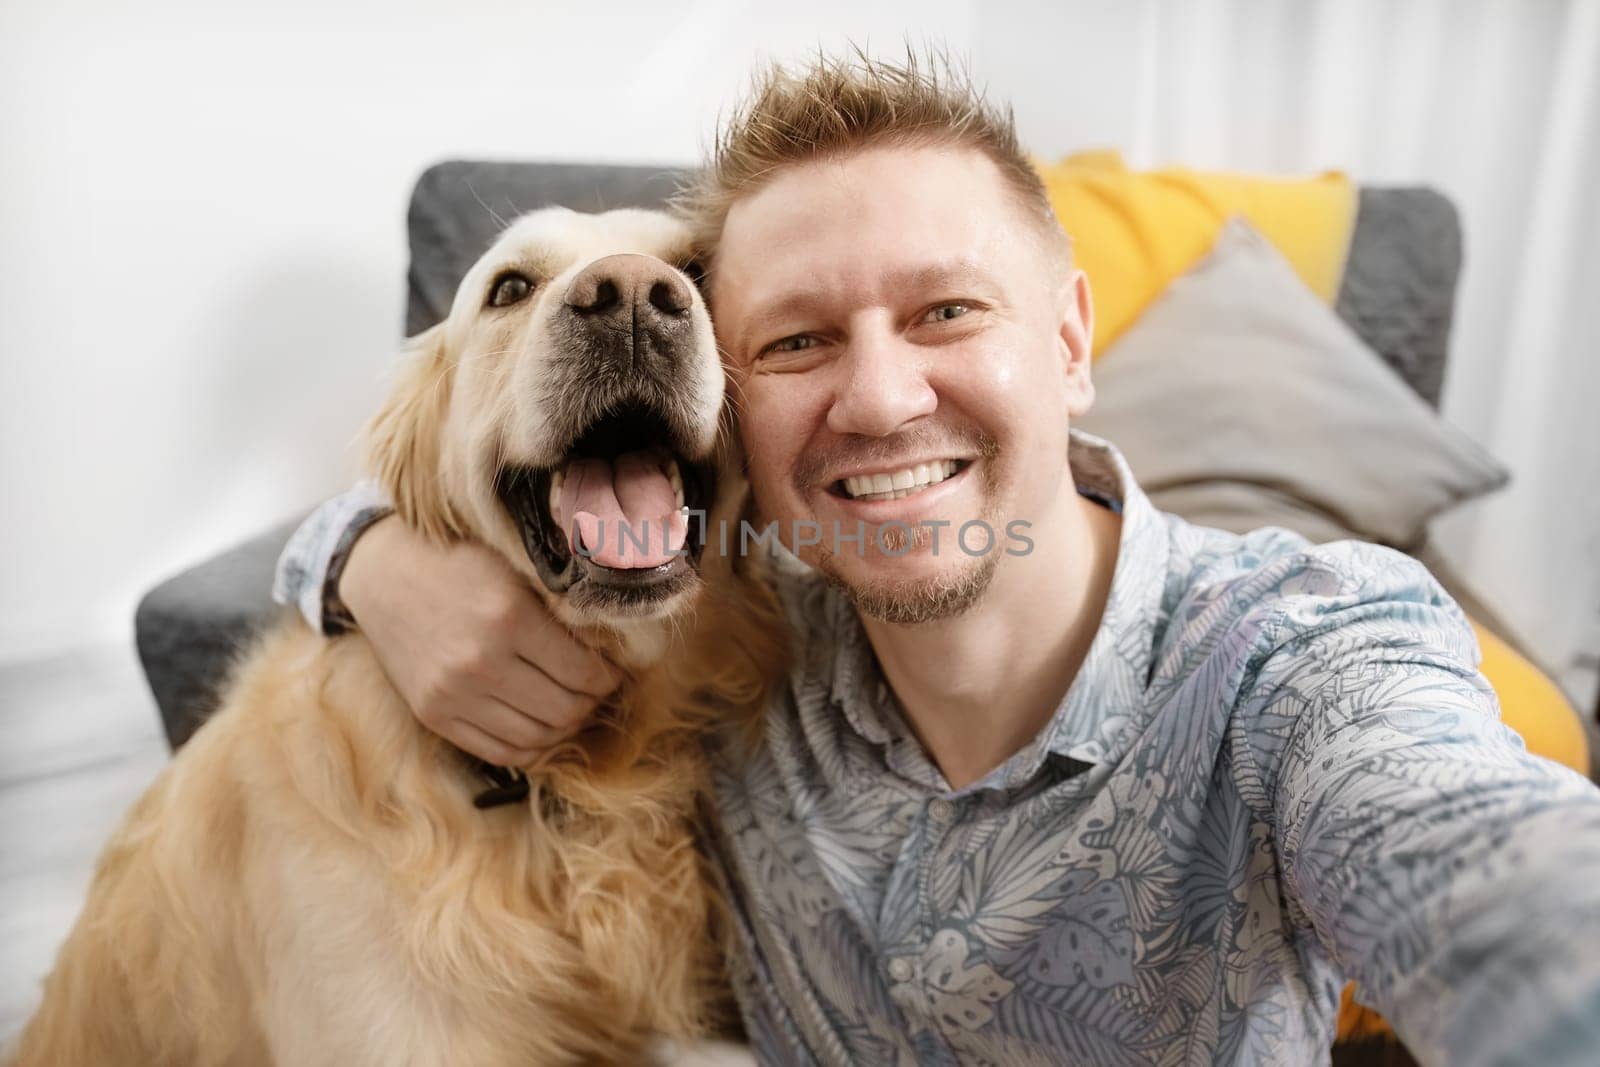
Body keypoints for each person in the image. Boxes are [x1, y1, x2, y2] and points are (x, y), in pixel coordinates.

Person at [274, 52, 1600, 1065]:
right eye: (795, 341)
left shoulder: (1299, 661)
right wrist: (369, 564)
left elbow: (1498, 882)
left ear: (1071, 344)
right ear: (732, 412)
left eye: (946, 312)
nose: (880, 401)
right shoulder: (737, 645)